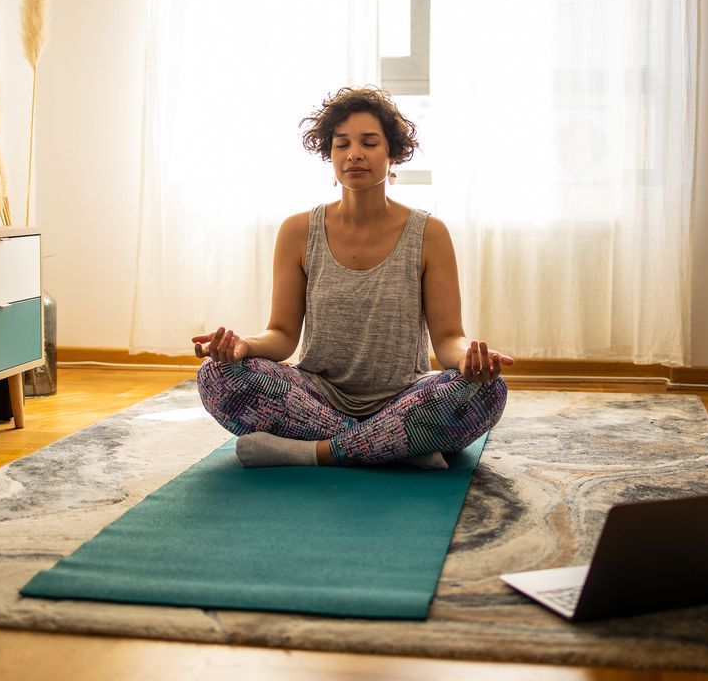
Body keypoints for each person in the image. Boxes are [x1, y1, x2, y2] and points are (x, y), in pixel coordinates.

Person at [193, 87, 512, 468]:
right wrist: (243, 346)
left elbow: (447, 340)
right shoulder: (297, 231)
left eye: (369, 143)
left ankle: (316, 451)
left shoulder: (430, 233)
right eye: (342, 144)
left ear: (392, 153)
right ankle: (397, 447)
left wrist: (468, 361)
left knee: (487, 390)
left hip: (405, 397)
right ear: (330, 154)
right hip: (318, 396)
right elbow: (281, 335)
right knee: (217, 375)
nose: (354, 154)